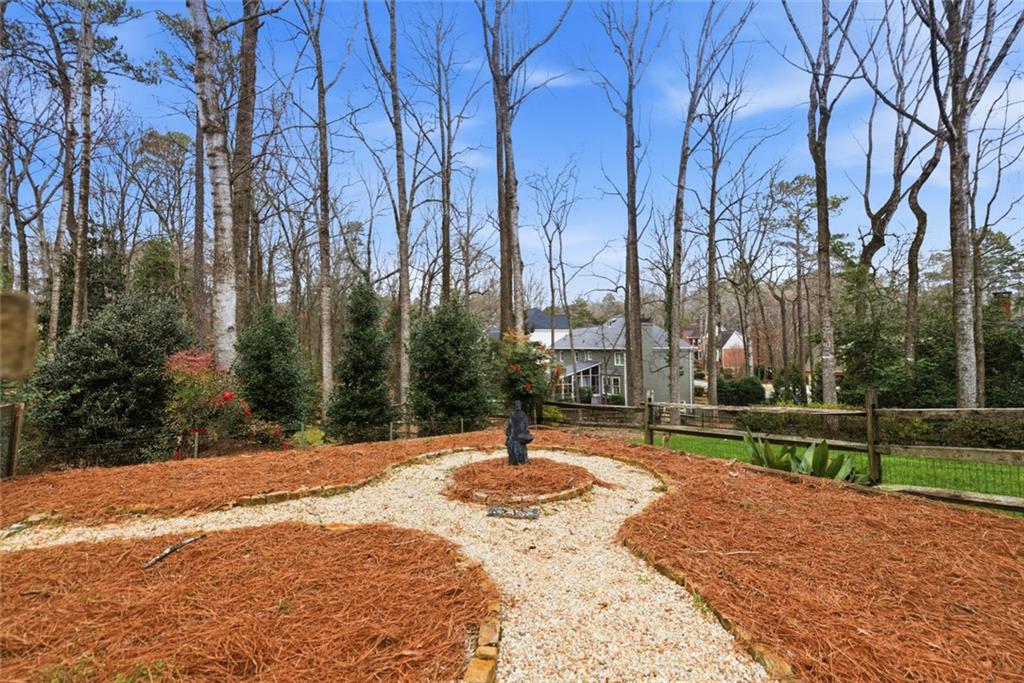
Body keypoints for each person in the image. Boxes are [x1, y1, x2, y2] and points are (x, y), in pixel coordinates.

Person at [505, 400, 532, 465]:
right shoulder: (522, 414)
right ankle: (518, 461)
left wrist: (508, 434)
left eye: (518, 405)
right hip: (517, 436)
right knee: (517, 448)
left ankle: (517, 461)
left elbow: (509, 427)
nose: (517, 406)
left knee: (516, 448)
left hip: (516, 436)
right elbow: (526, 426)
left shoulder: (516, 414)